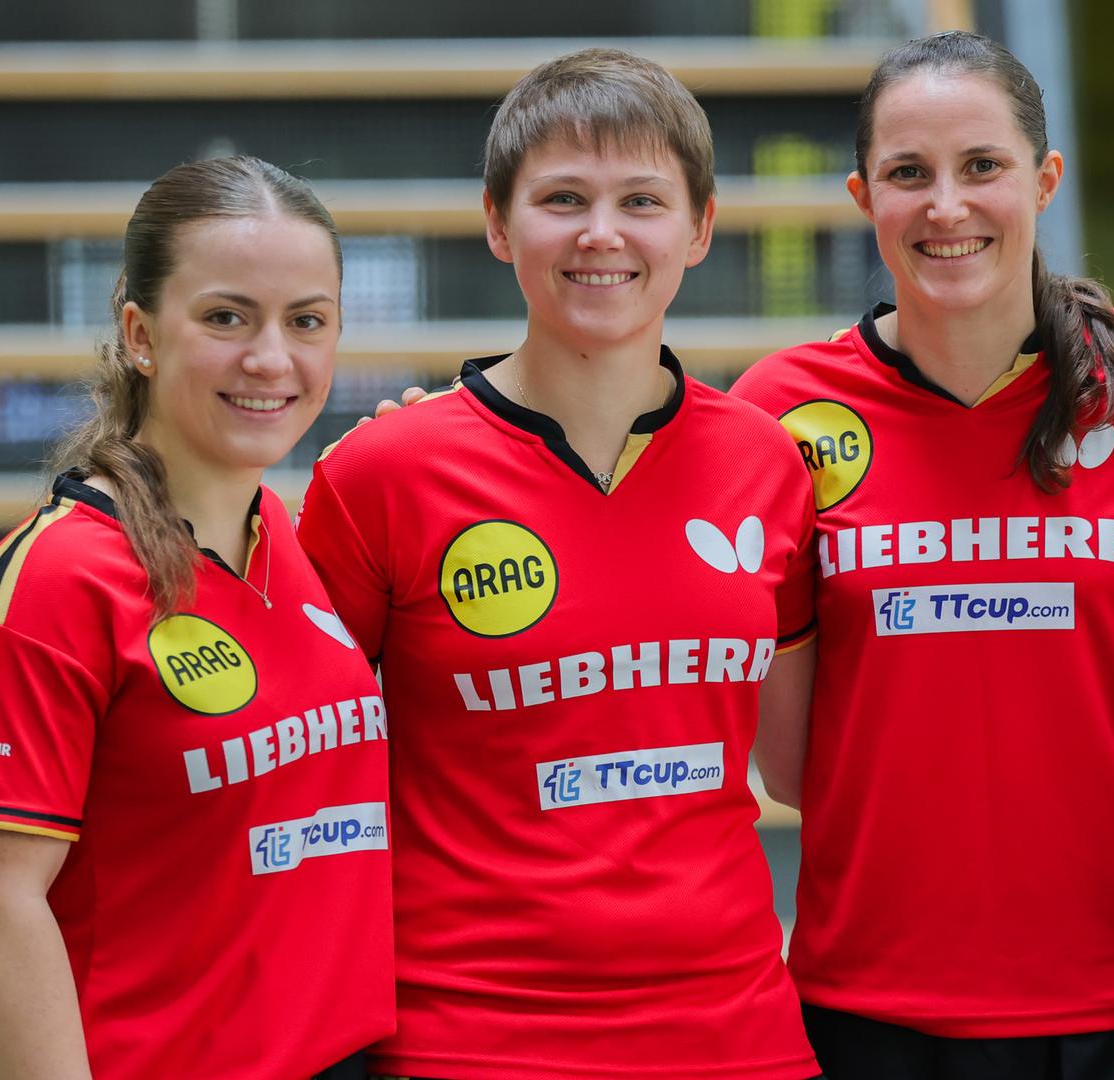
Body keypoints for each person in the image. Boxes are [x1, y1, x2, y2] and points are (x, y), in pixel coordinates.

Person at [727, 31, 1114, 1079]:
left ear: (1045, 179)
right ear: (861, 195)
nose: (947, 206)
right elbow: (787, 766)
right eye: (908, 174)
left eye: (982, 166)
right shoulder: (779, 413)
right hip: (872, 1011)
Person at [297, 49, 820, 1080]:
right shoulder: (381, 473)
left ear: (701, 228)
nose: (601, 233)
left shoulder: (767, 464)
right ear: (499, 223)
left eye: (642, 200)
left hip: (738, 1039)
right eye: (563, 198)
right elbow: (300, 780)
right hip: (468, 1042)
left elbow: (793, 766)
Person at [0, 156, 392, 1079]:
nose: (271, 359)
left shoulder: (284, 537)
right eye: (226, 317)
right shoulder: (52, 584)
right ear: (140, 334)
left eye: (306, 321)